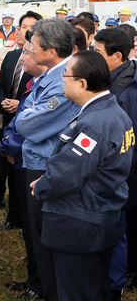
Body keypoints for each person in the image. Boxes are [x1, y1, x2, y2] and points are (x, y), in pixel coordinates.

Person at [31, 51, 134, 301]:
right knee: (93, 287)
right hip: (99, 216)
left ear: (82, 84)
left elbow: (67, 173)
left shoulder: (95, 122)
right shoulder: (110, 111)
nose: (62, 81)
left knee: (77, 291)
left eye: (65, 76)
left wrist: (42, 185)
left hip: (80, 224)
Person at [15, 18, 80, 301]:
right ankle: (42, 285)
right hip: (35, 161)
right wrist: (25, 115)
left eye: (34, 45)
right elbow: (26, 115)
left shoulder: (62, 81)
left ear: (51, 51)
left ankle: (51, 291)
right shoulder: (48, 77)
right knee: (35, 233)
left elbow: (28, 125)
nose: (29, 48)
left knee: (47, 237)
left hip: (45, 166)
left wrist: (24, 116)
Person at [0, 36, 47, 300]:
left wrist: (11, 142)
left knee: (38, 229)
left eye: (29, 52)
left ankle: (40, 284)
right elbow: (18, 122)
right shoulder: (37, 83)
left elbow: (27, 124)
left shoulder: (53, 85)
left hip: (36, 162)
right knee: (30, 229)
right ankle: (34, 278)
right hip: (22, 158)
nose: (23, 57)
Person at [93, 28, 137, 300]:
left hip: (120, 178)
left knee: (117, 233)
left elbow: (127, 144)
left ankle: (114, 287)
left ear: (117, 56)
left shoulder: (128, 91)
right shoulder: (110, 80)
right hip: (114, 179)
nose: (92, 58)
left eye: (97, 53)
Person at [0, 11, 41, 217]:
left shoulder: (39, 61)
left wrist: (20, 104)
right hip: (5, 117)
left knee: (18, 168)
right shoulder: (11, 56)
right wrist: (3, 101)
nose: (24, 30)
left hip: (25, 119)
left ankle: (16, 212)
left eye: (30, 27)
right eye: (22, 26)